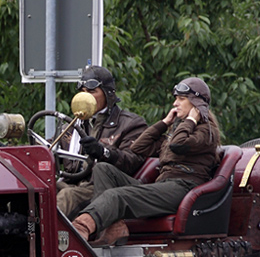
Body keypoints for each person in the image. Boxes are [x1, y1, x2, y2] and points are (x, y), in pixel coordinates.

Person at [71, 77, 221, 247]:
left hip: (183, 188)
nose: (175, 104)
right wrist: (164, 123)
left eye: (181, 99)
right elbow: (138, 148)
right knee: (103, 169)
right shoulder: (178, 131)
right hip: (164, 185)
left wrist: (191, 119)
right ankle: (114, 228)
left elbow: (178, 145)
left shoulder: (206, 132)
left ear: (195, 103)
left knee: (116, 196)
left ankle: (80, 229)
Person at [56, 65, 148, 218]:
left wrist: (103, 151)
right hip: (71, 182)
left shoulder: (130, 124)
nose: (86, 97)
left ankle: (45, 240)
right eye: (83, 92)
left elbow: (132, 160)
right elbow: (48, 148)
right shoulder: (71, 126)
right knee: (36, 191)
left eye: (92, 91)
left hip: (101, 188)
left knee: (67, 195)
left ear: (107, 94)